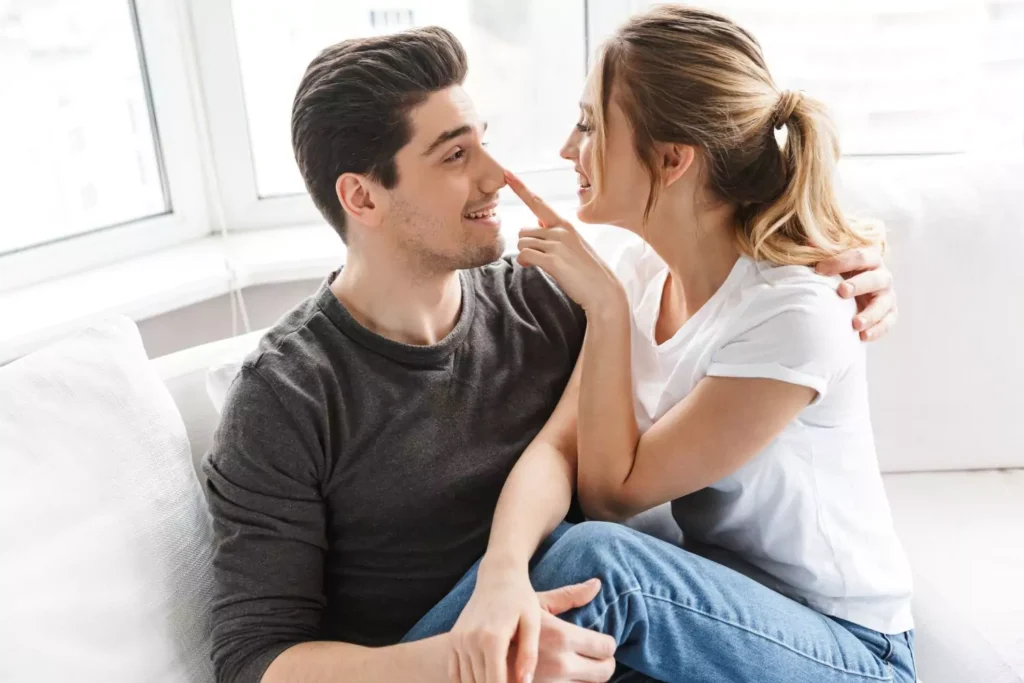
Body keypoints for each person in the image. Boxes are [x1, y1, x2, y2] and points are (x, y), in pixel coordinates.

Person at [202, 21, 900, 683]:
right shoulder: (287, 396)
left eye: (484, 141)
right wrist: (458, 654)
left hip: (748, 636)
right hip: (521, 656)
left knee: (596, 563)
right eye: (455, 154)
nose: (498, 176)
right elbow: (254, 661)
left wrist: (854, 270)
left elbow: (610, 494)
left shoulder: (551, 305)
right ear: (361, 196)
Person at [433, 5, 916, 683]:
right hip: (715, 609)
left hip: (848, 647)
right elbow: (558, 449)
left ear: (672, 159)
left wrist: (603, 311)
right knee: (554, 597)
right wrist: (502, 576)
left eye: (591, 125)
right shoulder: (639, 271)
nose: (569, 149)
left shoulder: (793, 312)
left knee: (604, 564)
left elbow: (613, 494)